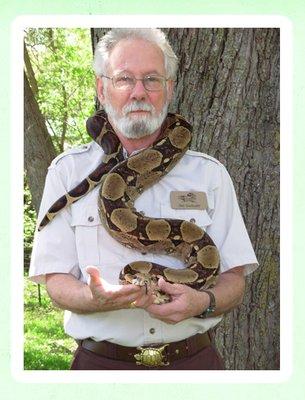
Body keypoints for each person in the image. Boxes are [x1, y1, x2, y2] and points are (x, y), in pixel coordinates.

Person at [29, 28, 258, 370]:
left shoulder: (211, 175)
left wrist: (203, 302)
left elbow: (234, 281)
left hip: (193, 363)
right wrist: (92, 299)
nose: (139, 92)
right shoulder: (66, 171)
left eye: (152, 79)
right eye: (124, 79)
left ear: (169, 88)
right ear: (101, 88)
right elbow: (57, 281)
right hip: (100, 365)